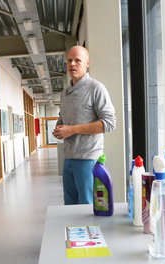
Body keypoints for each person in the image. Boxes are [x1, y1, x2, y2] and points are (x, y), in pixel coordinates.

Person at [52, 45, 116, 205]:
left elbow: (110, 123)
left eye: (77, 60)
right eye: (69, 60)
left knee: (87, 208)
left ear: (87, 64)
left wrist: (72, 130)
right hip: (68, 159)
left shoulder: (96, 88)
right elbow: (64, 117)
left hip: (88, 160)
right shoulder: (65, 93)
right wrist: (60, 127)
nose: (72, 64)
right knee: (70, 206)